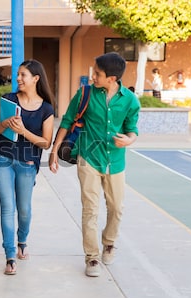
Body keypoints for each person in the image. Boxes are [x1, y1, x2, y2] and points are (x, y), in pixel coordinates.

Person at [48, 52, 140, 277]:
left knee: (117, 208)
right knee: (90, 209)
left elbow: (132, 129)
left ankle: (109, 243)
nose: (92, 76)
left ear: (112, 78)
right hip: (88, 158)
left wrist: (129, 139)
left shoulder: (130, 100)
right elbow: (68, 120)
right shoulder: (85, 94)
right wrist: (53, 151)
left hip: (115, 161)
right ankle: (92, 257)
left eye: (97, 73)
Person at [0, 59, 55, 275]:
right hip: (2, 158)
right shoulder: (8, 99)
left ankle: (22, 240)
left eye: (23, 75)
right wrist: (6, 124)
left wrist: (24, 130)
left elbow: (46, 142)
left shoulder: (46, 109)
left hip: (27, 163)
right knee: (8, 207)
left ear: (36, 79)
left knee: (24, 209)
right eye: (17, 74)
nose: (18, 78)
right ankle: (9, 255)